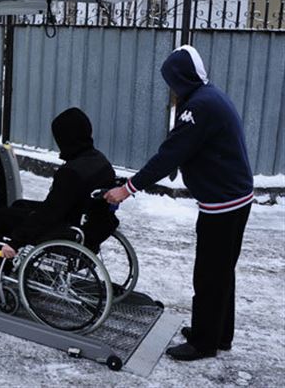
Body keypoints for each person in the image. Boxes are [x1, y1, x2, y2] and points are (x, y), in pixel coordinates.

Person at [105, 45, 253, 362]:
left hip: (224, 203)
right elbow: (182, 149)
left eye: (172, 82)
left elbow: (169, 154)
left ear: (182, 79)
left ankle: (203, 342)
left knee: (210, 274)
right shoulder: (208, 97)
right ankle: (218, 333)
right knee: (222, 270)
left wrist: (128, 189)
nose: (170, 90)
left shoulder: (198, 108)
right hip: (233, 197)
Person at [0, 107, 117, 259]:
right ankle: (5, 262)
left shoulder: (71, 172)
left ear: (66, 138)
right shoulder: (100, 160)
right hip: (89, 223)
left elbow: (48, 214)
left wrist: (16, 241)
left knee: (2, 216)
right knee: (19, 205)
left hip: (68, 229)